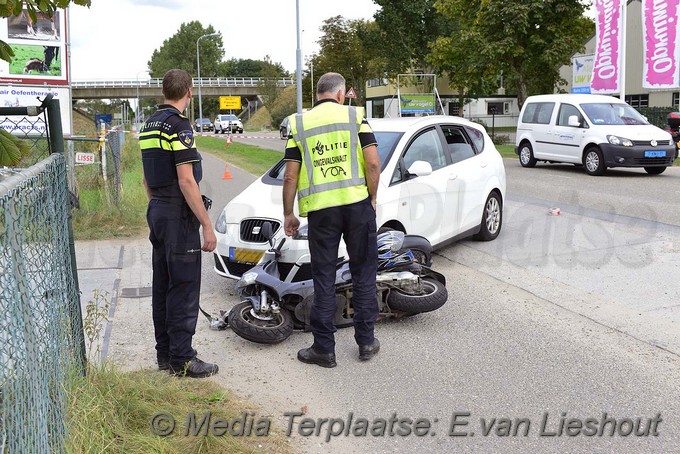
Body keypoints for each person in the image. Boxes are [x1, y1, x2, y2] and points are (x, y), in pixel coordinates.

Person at [282, 72, 382, 368]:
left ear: (318, 93)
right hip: (357, 206)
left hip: (322, 211)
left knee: (323, 277)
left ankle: (324, 349)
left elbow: (290, 174)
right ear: (341, 95)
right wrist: (372, 197)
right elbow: (373, 162)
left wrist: (288, 213)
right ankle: (366, 342)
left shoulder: (299, 123)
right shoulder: (355, 117)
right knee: (363, 273)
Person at [140, 69, 219, 378]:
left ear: (164, 91)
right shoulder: (179, 125)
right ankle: (183, 359)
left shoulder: (149, 124)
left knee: (163, 285)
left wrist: (157, 203)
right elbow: (187, 181)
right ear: (189, 91)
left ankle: (165, 355)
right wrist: (206, 224)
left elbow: (147, 176)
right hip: (176, 214)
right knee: (184, 286)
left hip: (157, 209)